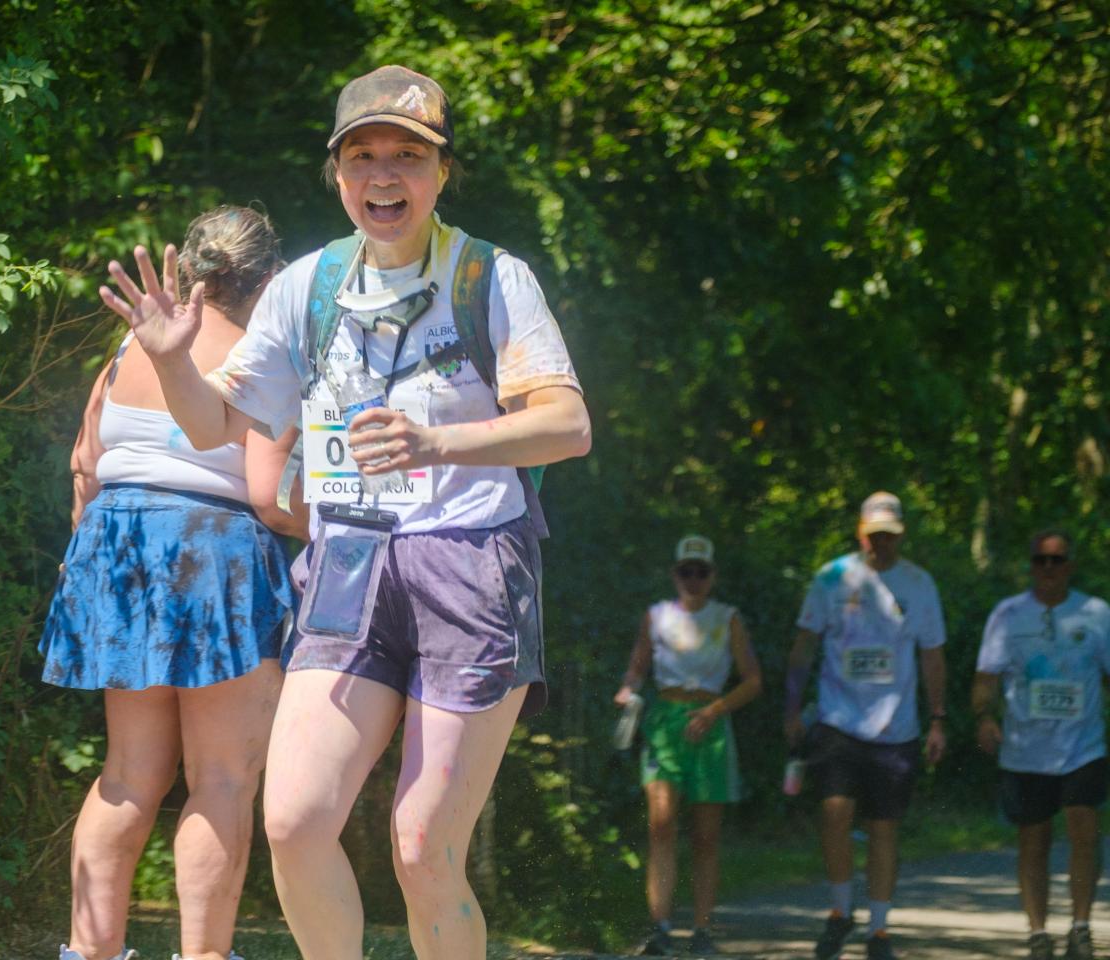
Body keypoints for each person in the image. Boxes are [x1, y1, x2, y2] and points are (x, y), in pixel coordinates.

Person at [97, 65, 590, 960]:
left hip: (471, 566)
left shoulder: (490, 277)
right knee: (290, 820)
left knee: (422, 849)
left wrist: (436, 443)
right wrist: (174, 361)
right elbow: (216, 424)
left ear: (443, 173)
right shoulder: (304, 288)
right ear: (338, 174)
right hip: (346, 568)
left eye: (408, 155)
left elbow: (567, 425)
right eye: (362, 156)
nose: (384, 175)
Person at [41, 205, 306, 960]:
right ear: (271, 276)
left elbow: (84, 465)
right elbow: (269, 499)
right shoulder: (269, 356)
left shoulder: (132, 346)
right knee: (221, 779)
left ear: (190, 272)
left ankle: (87, 954)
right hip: (215, 551)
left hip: (117, 546)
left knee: (127, 775)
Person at [783, 491, 948, 960]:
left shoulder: (919, 584)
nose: (882, 544)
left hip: (897, 728)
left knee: (884, 828)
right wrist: (792, 709)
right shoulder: (832, 578)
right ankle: (840, 911)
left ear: (901, 536)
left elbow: (933, 656)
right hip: (837, 720)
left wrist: (938, 719)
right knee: (834, 812)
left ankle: (879, 930)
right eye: (874, 535)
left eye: (890, 536)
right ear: (861, 532)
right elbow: (803, 647)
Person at [614, 535, 762, 957]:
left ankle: (701, 930)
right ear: (675, 574)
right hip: (665, 722)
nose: (693, 579)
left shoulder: (727, 618)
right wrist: (627, 691)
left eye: (701, 571)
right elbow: (636, 669)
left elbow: (753, 680)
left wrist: (714, 711)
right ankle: (660, 928)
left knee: (705, 835)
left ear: (712, 575)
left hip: (710, 723)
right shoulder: (656, 616)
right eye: (686, 571)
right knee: (660, 826)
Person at [972, 530, 1110, 960]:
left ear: (1069, 565)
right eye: (1040, 561)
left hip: (1082, 745)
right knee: (1034, 839)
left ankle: (1081, 927)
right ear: (1031, 565)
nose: (1048, 569)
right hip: (1025, 748)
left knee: (1084, 830)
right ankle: (1037, 932)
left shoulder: (1097, 613)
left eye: (1056, 560)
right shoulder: (1008, 614)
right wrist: (984, 716)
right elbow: (986, 678)